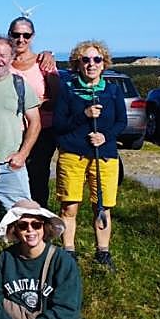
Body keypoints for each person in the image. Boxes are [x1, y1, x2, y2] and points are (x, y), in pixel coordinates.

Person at [55, 40, 126, 270]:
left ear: (104, 64)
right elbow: (59, 124)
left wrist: (106, 137)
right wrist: (84, 115)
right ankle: (68, 251)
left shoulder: (113, 91)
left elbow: (121, 122)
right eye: (85, 60)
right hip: (72, 154)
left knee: (103, 206)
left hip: (104, 155)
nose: (91, 64)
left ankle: (103, 253)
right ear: (78, 64)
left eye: (97, 59)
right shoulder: (68, 90)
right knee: (69, 206)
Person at [0, 36, 41, 212]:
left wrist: (22, 154)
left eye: (3, 55)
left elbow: (35, 122)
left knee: (23, 212)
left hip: (9, 163)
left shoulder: (19, 85)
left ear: (11, 58)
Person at [9, 17, 61, 207]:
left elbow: (57, 97)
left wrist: (35, 106)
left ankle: (39, 216)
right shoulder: (4, 62)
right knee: (12, 178)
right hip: (13, 131)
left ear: (33, 36)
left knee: (37, 178)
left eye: (26, 35)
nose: (21, 39)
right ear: (9, 35)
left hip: (42, 132)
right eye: (16, 34)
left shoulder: (43, 63)